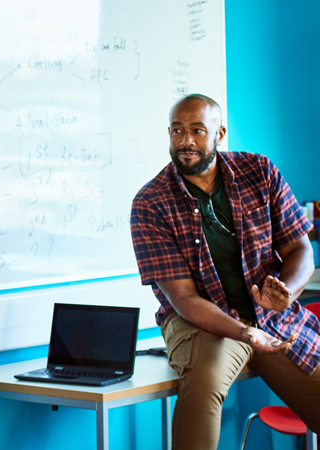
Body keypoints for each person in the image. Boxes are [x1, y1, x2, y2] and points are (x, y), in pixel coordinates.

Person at [130, 93, 320, 449]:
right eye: (177, 130)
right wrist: (246, 334)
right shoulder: (150, 203)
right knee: (203, 384)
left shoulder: (259, 172)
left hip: (270, 316)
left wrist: (285, 293)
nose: (185, 141)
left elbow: (300, 250)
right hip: (201, 320)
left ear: (219, 135)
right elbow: (184, 299)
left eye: (198, 131)